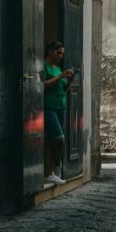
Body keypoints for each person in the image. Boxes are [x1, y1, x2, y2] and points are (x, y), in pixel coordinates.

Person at [43, 40, 74, 185]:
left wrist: (69, 81)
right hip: (48, 106)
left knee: (53, 140)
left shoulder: (57, 68)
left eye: (62, 53)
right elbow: (43, 85)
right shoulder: (45, 67)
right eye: (58, 52)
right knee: (58, 138)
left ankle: (50, 173)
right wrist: (61, 76)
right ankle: (56, 167)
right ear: (50, 51)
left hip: (60, 106)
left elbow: (63, 90)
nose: (61, 56)